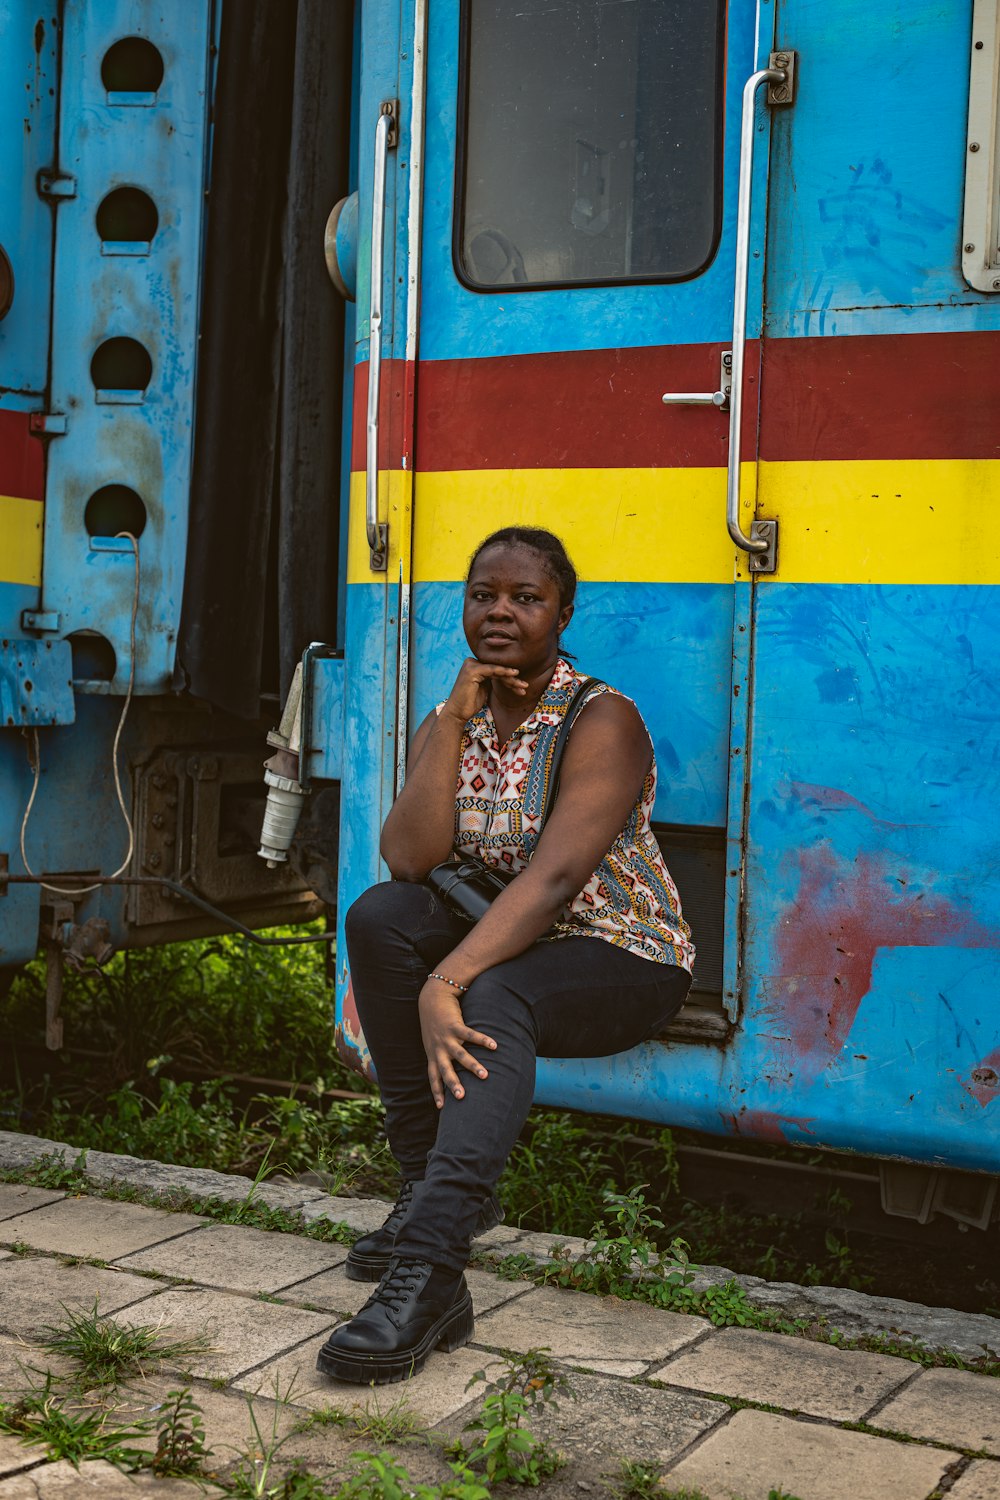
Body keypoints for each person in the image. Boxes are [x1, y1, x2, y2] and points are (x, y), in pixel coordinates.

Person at [316, 526, 694, 1385]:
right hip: (508, 938)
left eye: (525, 597)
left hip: (619, 952)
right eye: (484, 593)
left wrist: (447, 980)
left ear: (563, 612)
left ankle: (430, 1270)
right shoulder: (455, 716)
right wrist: (451, 722)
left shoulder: (604, 719)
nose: (500, 612)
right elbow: (409, 861)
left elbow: (559, 877)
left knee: (498, 997)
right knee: (380, 916)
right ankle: (427, 1194)